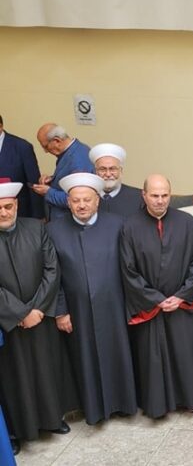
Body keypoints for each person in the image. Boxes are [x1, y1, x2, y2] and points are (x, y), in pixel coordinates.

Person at [47, 172, 137, 425]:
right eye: (76, 201)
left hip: (115, 306)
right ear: (68, 203)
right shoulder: (53, 230)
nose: (82, 205)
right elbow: (53, 276)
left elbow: (129, 267)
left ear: (97, 200)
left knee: (118, 354)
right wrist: (61, 311)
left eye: (87, 200)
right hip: (77, 311)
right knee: (85, 359)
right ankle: (94, 410)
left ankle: (123, 404)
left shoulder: (118, 224)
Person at [120, 174, 193, 417]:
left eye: (165, 195)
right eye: (154, 195)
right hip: (151, 306)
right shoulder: (130, 226)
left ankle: (191, 398)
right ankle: (157, 405)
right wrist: (156, 299)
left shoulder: (187, 222)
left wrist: (181, 296)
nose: (160, 201)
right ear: (144, 195)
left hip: (182, 303)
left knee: (186, 352)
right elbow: (128, 269)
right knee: (154, 357)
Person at [0, 179, 78, 454]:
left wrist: (37, 309)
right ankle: (16, 432)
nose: (3, 213)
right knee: (13, 377)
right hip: (8, 323)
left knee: (46, 369)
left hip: (40, 316)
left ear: (16, 205)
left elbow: (52, 269)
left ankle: (52, 419)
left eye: (8, 207)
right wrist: (19, 313)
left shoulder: (36, 228)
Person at [31, 123, 93, 221]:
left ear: (57, 141)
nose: (45, 151)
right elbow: (69, 178)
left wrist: (48, 192)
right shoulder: (74, 150)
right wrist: (52, 179)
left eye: (46, 146)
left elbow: (76, 198)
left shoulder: (78, 160)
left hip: (68, 221)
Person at [0, 114, 44, 219]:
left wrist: (38, 216)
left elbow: (33, 184)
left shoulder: (22, 147)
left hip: (18, 214)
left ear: (0, 126)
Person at [89, 143, 144, 217]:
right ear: (96, 172)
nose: (108, 174)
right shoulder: (87, 198)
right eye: (102, 169)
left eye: (112, 169)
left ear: (121, 171)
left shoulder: (139, 197)